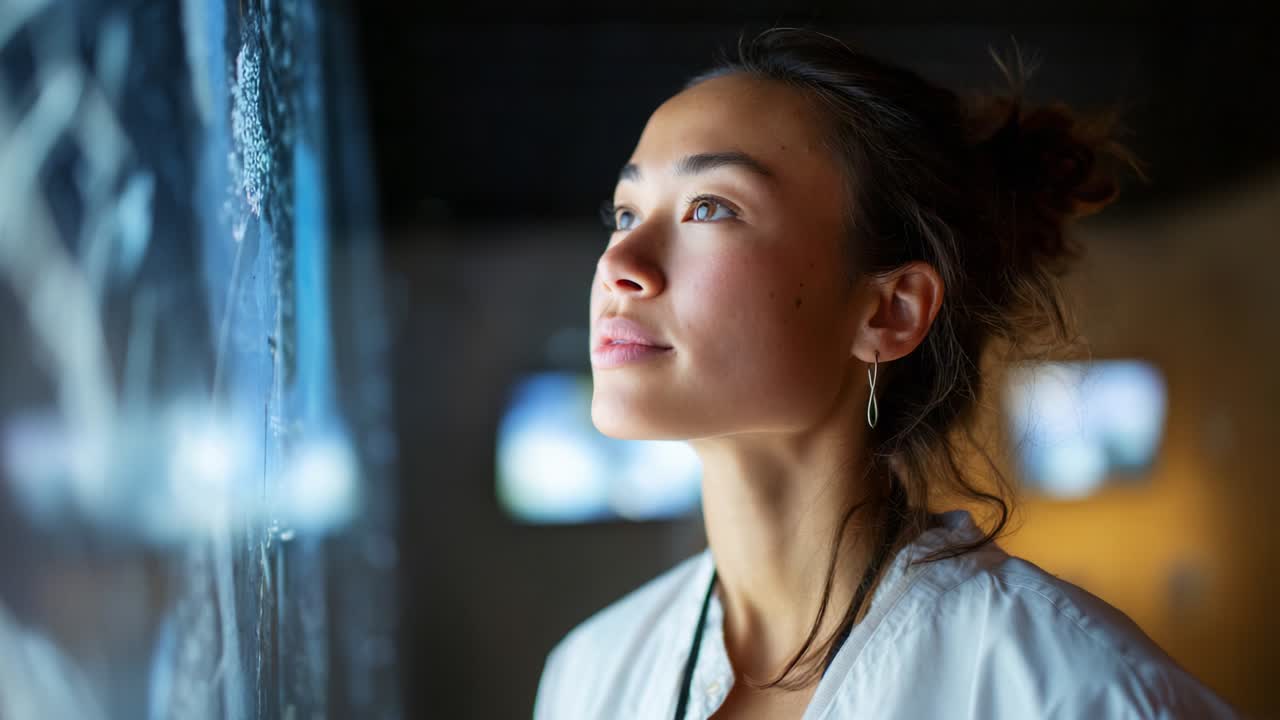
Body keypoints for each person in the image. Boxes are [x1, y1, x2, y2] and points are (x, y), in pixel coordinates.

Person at [533, 27, 1240, 719]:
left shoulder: (1079, 692)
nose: (618, 264)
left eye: (708, 207)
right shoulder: (591, 674)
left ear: (890, 312)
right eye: (624, 212)